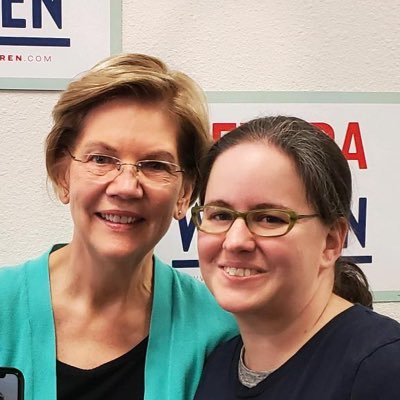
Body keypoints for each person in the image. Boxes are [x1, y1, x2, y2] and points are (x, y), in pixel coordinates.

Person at [0, 53, 237, 400]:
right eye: (101, 159)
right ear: (62, 172)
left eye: (155, 165)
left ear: (185, 192)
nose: (126, 186)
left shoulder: (220, 334)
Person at [192, 116, 400, 399]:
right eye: (221, 215)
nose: (235, 240)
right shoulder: (214, 365)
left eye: (269, 219)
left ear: (331, 241)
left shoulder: (383, 369)